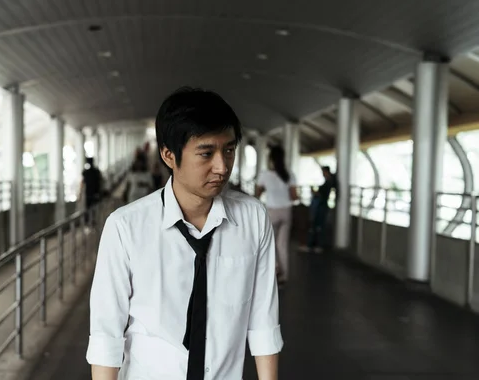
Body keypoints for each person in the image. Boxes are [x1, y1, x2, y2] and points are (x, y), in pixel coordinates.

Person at [86, 87, 282, 380]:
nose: (222, 166)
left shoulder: (252, 218)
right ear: (168, 155)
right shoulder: (126, 227)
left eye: (229, 150)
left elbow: (263, 319)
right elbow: (106, 334)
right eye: (206, 153)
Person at [255, 145, 298, 284]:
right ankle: (284, 276)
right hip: (286, 212)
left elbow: (257, 194)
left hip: (272, 211)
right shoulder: (290, 175)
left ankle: (274, 270)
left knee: (270, 244)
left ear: (271, 159)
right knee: (283, 245)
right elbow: (293, 196)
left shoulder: (264, 175)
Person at [301, 165, 335, 253]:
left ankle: (315, 245)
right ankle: (316, 245)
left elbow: (320, 195)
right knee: (318, 226)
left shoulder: (327, 183)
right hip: (321, 206)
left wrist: (314, 191)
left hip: (320, 206)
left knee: (317, 226)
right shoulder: (329, 182)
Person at [78, 157, 104, 225]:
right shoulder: (97, 171)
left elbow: (82, 184)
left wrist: (80, 194)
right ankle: (94, 222)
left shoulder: (85, 172)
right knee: (95, 209)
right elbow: (101, 181)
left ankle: (90, 222)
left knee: (89, 209)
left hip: (89, 194)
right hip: (96, 193)